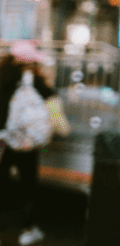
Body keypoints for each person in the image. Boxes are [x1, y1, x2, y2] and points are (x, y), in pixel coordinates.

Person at [0, 42, 55, 246]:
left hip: (4, 139)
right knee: (29, 184)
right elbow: (51, 96)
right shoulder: (32, 80)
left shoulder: (3, 77)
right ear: (26, 62)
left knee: (3, 181)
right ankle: (28, 228)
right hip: (25, 140)